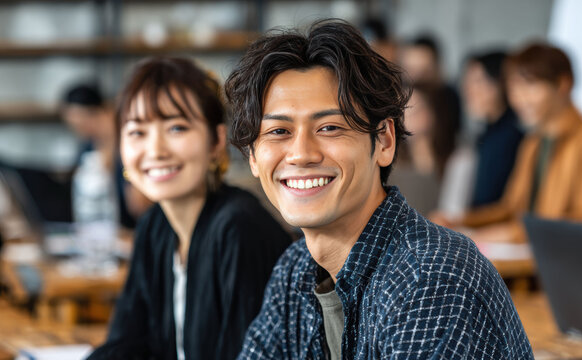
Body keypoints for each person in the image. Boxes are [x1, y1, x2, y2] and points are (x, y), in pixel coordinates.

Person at [225, 20, 533, 359]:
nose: (301, 154)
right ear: (253, 156)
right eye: (278, 131)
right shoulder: (294, 270)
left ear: (384, 140)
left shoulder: (431, 278)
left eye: (329, 127)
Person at [87, 57, 292, 360]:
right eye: (137, 132)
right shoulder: (154, 225)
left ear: (216, 141)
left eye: (177, 128)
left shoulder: (239, 228)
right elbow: (126, 343)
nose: (155, 150)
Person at [438, 43, 582, 243]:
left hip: (575, 269)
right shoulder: (533, 142)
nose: (519, 99)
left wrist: (513, 234)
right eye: (514, 88)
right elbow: (511, 208)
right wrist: (459, 221)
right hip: (532, 262)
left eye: (529, 86)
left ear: (562, 84)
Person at [61, 84, 151, 229]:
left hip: (132, 229)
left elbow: (138, 205)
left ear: (104, 111)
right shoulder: (88, 146)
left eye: (82, 123)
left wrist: (124, 169)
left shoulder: (131, 142)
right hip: (100, 228)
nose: (80, 131)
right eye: (74, 126)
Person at [462, 50, 524, 207]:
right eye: (467, 81)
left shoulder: (511, 137)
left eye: (478, 81)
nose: (468, 91)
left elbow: (491, 201)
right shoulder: (488, 133)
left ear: (500, 84)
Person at [387, 82, 455, 215]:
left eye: (416, 108)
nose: (409, 115)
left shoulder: (457, 158)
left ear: (432, 111)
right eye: (404, 110)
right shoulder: (392, 166)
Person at [399, 34, 462, 137]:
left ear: (438, 70)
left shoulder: (451, 101)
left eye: (425, 72)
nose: (417, 80)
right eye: (411, 70)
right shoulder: (394, 104)